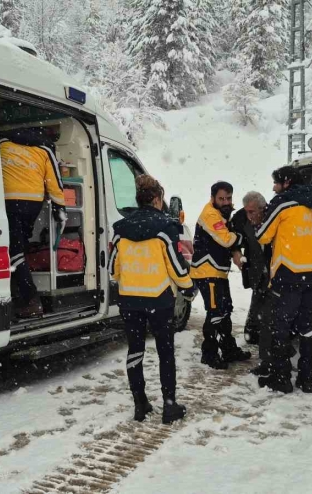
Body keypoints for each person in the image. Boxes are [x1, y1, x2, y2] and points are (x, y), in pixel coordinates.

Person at [110, 175, 193, 424]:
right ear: (157, 199)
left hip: (129, 299)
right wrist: (188, 287)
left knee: (135, 350)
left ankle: (140, 404)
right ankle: (169, 406)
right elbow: (177, 269)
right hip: (159, 300)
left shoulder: (120, 229)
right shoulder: (165, 228)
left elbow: (113, 268)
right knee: (164, 352)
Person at [256, 166, 312, 394]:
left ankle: (281, 377)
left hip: (291, 273)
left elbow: (262, 235)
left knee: (280, 327)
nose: (274, 188)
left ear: (286, 183)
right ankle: (306, 378)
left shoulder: (282, 203)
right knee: (308, 327)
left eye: (276, 183)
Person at [0, 127, 67, 318]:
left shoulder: (3, 144)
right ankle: (22, 295)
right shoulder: (44, 150)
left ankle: (30, 298)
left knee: (15, 248)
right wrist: (59, 207)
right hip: (32, 203)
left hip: (7, 200)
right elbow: (55, 181)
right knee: (19, 246)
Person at [190, 181, 251, 369]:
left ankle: (228, 349)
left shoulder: (222, 214)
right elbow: (226, 239)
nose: (226, 202)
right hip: (206, 272)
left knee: (225, 310)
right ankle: (209, 353)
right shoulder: (210, 215)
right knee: (216, 312)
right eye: (221, 198)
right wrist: (243, 237)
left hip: (217, 272)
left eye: (229, 198)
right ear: (213, 198)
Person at [229, 191, 272, 376]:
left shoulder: (273, 215)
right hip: (255, 269)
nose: (250, 215)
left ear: (263, 209)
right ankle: (253, 332)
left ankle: (267, 348)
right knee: (258, 297)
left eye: (253, 212)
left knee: (269, 309)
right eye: (247, 211)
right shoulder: (240, 217)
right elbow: (233, 237)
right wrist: (236, 252)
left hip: (273, 268)